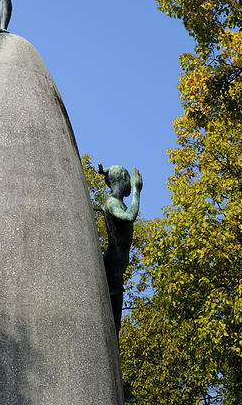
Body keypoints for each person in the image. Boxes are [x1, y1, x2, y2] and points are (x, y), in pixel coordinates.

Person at [98, 163, 142, 403]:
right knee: (112, 328)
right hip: (112, 271)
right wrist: (137, 191)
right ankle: (117, 380)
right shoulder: (112, 203)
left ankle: (117, 377)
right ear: (123, 179)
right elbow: (129, 216)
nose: (130, 183)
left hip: (117, 272)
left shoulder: (118, 201)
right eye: (128, 180)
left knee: (115, 328)